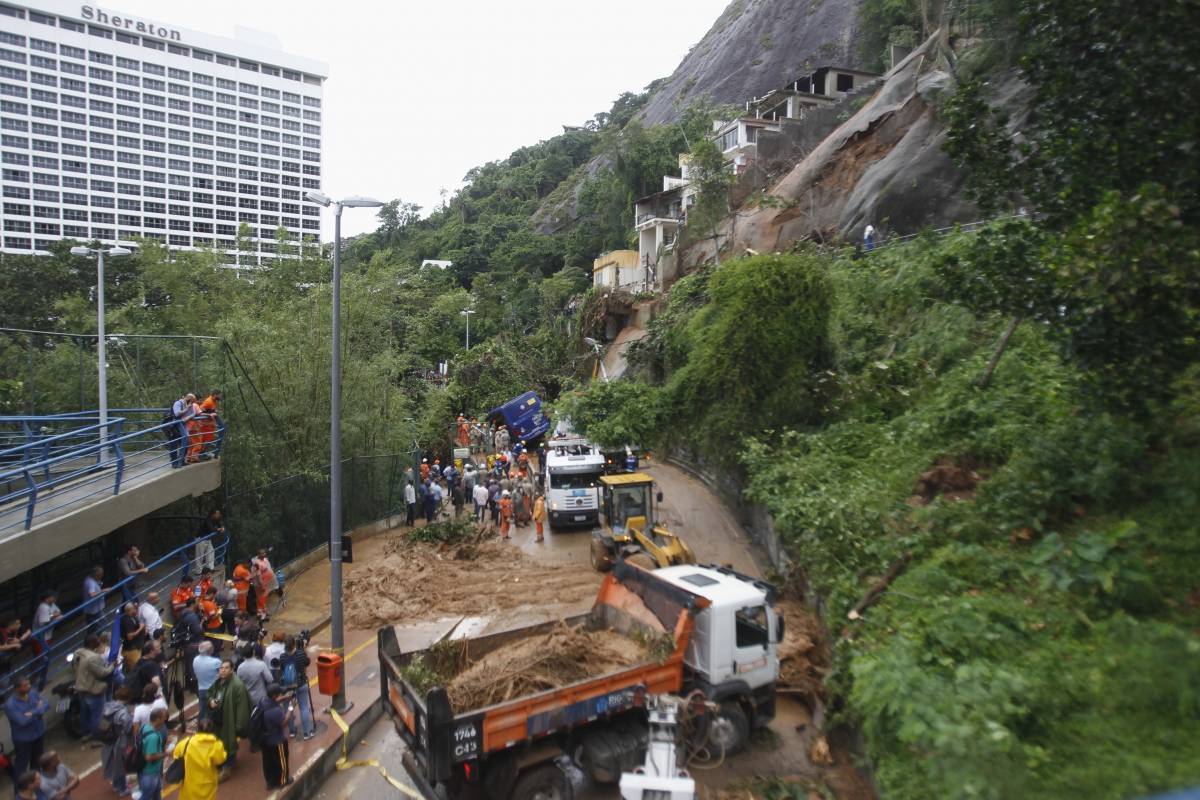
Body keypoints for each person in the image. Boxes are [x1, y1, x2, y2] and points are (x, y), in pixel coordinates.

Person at [207, 661, 249, 776]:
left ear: (232, 669)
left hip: (229, 720)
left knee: (228, 742)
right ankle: (222, 762)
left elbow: (242, 707)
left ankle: (227, 768)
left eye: (226, 668)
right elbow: (210, 693)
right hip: (218, 718)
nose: (223, 670)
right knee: (218, 740)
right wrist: (211, 701)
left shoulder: (237, 685)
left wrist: (239, 726)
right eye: (221, 668)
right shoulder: (219, 682)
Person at [72, 633, 114, 742]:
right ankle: (96, 739)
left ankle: (85, 734)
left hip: (81, 688)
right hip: (93, 690)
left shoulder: (78, 652)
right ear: (91, 643)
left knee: (84, 714)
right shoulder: (93, 658)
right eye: (96, 640)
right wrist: (112, 665)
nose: (99, 641)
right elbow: (102, 673)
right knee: (97, 717)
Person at [172, 718, 226, 800]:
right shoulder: (216, 745)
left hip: (189, 785)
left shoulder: (185, 743)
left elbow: (176, 755)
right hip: (208, 785)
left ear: (197, 729)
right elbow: (220, 760)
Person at [5, 676, 48, 776]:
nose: (29, 687)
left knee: (37, 761)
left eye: (29, 684)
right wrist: (39, 709)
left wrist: (33, 712)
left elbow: (46, 703)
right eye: (25, 685)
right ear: (17, 689)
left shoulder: (33, 693)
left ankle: (36, 783)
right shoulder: (10, 705)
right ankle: (19, 790)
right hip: (23, 739)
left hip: (38, 733)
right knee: (22, 765)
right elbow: (22, 721)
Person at [276, 635, 313, 740]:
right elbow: (307, 662)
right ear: (294, 644)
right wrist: (304, 649)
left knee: (289, 708)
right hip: (301, 684)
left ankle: (292, 731)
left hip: (287, 687)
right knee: (304, 707)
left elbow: (282, 669)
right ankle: (306, 733)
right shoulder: (300, 654)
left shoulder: (282, 656)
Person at [257, 684, 293, 789]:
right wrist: (290, 708)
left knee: (268, 762)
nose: (282, 695)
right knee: (282, 760)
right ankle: (283, 780)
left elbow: (274, 701)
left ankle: (270, 782)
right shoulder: (275, 711)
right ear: (274, 696)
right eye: (280, 694)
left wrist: (285, 697)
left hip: (265, 740)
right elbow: (284, 723)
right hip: (277, 741)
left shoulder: (263, 701)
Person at [100, 686, 134, 795]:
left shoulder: (107, 706)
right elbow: (128, 728)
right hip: (119, 741)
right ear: (128, 698)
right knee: (120, 765)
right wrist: (132, 717)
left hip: (107, 739)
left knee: (111, 763)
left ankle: (115, 784)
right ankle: (122, 789)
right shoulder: (122, 712)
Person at [138, 708, 169, 800]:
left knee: (156, 795)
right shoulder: (153, 737)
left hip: (146, 770)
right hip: (150, 773)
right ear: (158, 719)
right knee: (146, 796)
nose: (165, 720)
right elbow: (149, 757)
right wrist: (165, 754)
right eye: (164, 718)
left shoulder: (144, 727)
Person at [192, 641, 221, 722]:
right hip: (214, 690)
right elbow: (222, 675)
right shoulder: (216, 662)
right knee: (215, 712)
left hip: (201, 689)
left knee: (203, 712)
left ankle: (202, 730)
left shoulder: (195, 660)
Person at [169, 393, 196, 468]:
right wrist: (187, 409)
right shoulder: (178, 403)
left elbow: (193, 413)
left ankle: (181, 460)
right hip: (174, 426)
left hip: (182, 425)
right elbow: (177, 414)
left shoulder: (190, 405)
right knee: (174, 444)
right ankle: (174, 463)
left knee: (186, 441)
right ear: (188, 398)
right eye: (192, 401)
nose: (192, 403)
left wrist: (188, 417)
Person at [119, 603, 146, 670]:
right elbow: (129, 637)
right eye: (134, 608)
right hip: (132, 650)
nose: (136, 610)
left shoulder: (132, 616)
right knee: (136, 669)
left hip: (137, 647)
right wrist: (140, 629)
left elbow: (137, 625)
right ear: (129, 610)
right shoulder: (127, 621)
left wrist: (142, 628)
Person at [251, 550, 278, 620]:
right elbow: (258, 576)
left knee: (264, 598)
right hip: (260, 584)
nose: (264, 554)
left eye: (264, 553)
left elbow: (269, 568)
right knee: (261, 599)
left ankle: (263, 612)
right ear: (258, 555)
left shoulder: (265, 560)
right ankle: (261, 614)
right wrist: (262, 585)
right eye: (262, 553)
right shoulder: (257, 564)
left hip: (266, 583)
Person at [82, 567, 105, 631]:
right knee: (100, 625)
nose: (101, 576)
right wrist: (103, 590)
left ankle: (92, 638)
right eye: (101, 575)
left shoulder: (91, 579)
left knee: (92, 627)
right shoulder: (90, 582)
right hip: (94, 610)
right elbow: (92, 594)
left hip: (94, 608)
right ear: (97, 575)